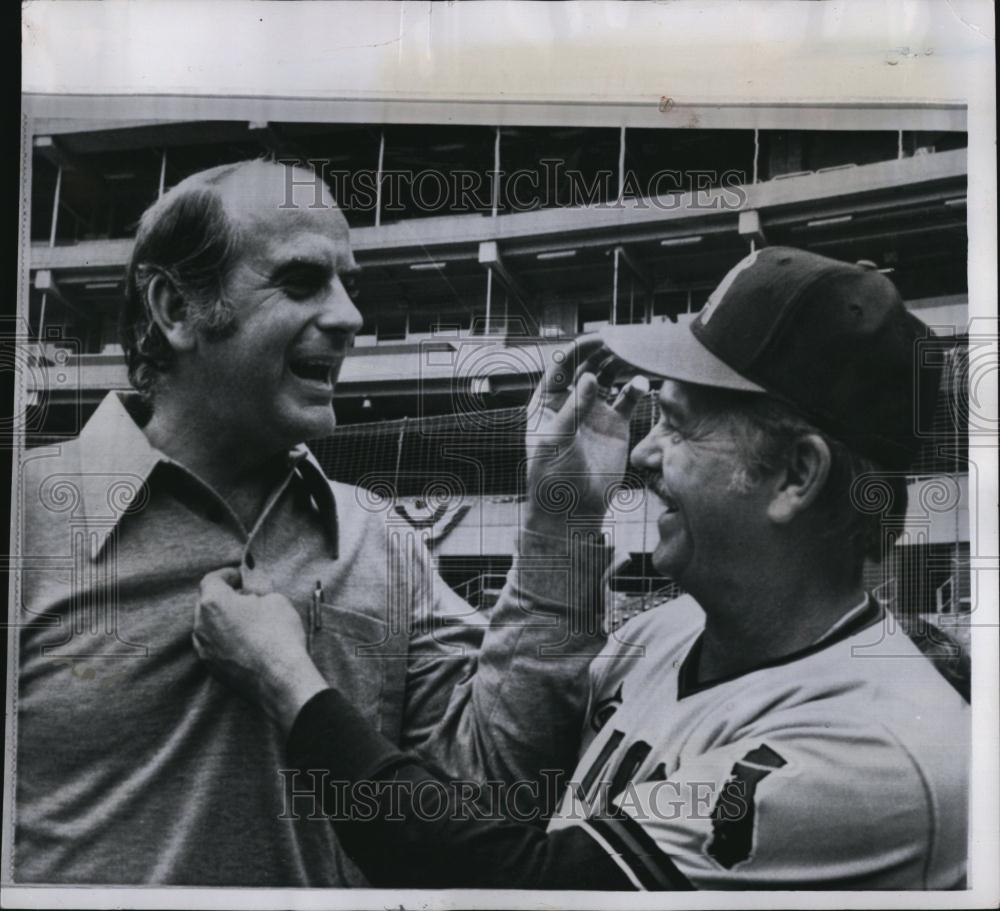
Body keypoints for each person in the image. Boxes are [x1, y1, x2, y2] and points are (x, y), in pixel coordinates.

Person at [193, 246, 969, 890]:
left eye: (678, 423)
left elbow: (514, 885)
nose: (642, 452)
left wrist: (288, 684)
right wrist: (564, 509)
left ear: (795, 475)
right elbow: (497, 790)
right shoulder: (663, 633)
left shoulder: (877, 751)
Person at [13, 159, 643, 885]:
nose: (350, 316)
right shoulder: (24, 517)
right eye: (302, 282)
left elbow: (495, 793)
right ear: (177, 308)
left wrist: (564, 521)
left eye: (347, 284)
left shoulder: (384, 543)